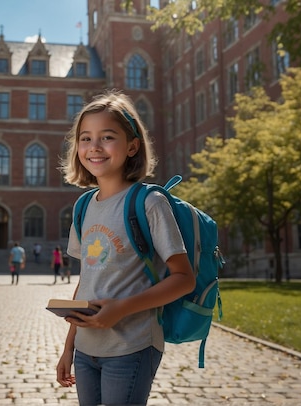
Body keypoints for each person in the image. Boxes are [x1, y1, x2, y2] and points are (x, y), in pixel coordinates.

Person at [55, 90, 196, 405]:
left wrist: (121, 309)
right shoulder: (82, 206)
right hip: (87, 350)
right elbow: (86, 281)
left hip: (132, 345)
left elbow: (184, 278)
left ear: (133, 145)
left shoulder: (149, 202)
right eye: (85, 138)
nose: (94, 147)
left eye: (107, 137)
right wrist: (69, 347)